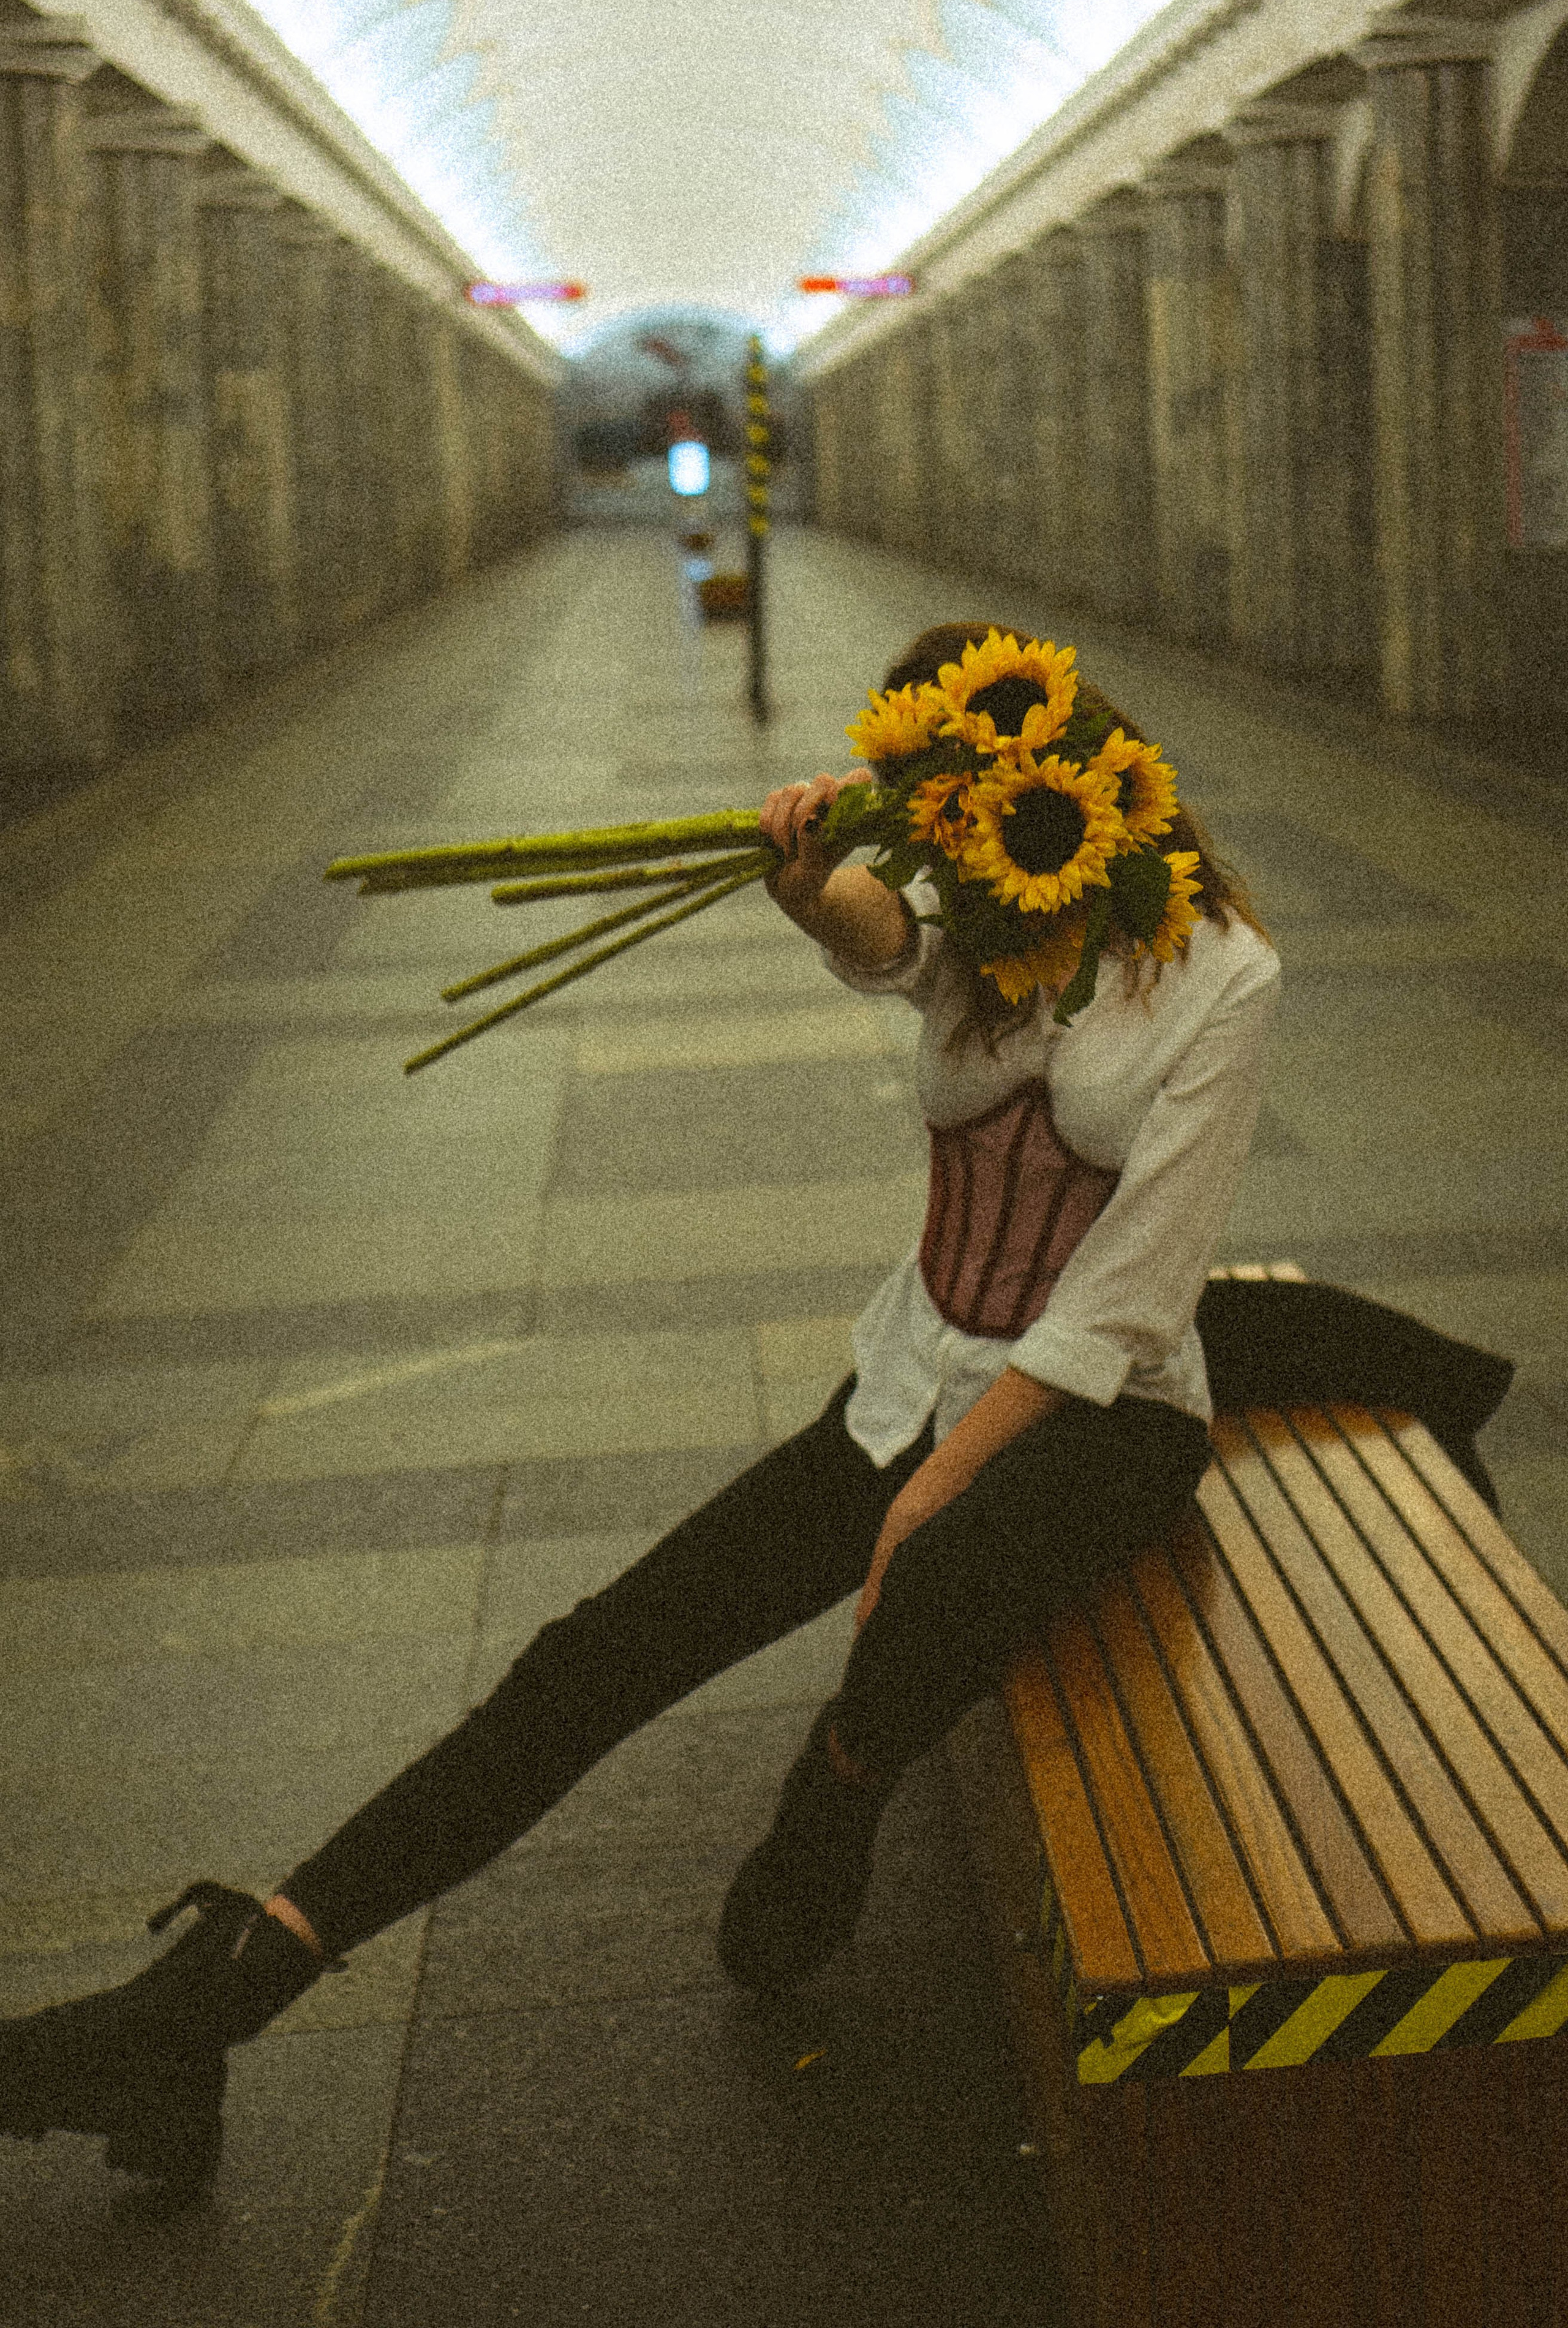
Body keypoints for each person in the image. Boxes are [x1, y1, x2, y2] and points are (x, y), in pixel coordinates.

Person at [0, 617, 1463, 2208]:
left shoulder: (1225, 975)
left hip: (1106, 1424)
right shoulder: (982, 909)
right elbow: (878, 938)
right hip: (911, 1377)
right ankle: (222, 1994)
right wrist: (796, 865)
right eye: (926, 809)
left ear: (1056, 767)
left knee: (942, 1582)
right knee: (597, 1656)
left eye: (957, 796)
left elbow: (1123, 1302)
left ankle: (834, 1791)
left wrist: (919, 1496)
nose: (944, 841)